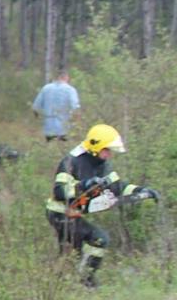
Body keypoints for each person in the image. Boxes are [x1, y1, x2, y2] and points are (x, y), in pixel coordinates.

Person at [45, 123, 160, 285]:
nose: (109, 155)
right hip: (60, 213)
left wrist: (141, 190)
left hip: (74, 213)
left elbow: (117, 187)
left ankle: (73, 282)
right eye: (106, 150)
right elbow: (59, 191)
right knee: (97, 240)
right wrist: (83, 185)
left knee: (76, 252)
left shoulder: (102, 164)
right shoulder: (72, 161)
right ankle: (84, 282)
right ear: (95, 146)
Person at [32, 71, 81, 142]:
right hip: (64, 128)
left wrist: (38, 119)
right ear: (66, 78)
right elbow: (76, 108)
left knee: (50, 147)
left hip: (48, 127)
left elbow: (35, 107)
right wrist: (76, 124)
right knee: (63, 149)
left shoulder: (46, 88)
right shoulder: (70, 90)